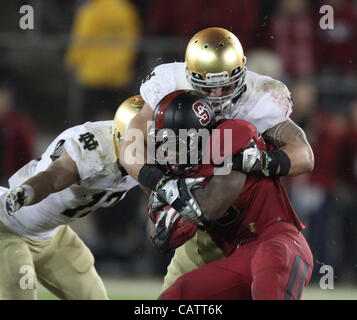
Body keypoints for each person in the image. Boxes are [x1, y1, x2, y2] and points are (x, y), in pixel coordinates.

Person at [119, 27, 314, 291]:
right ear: (190, 79)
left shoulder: (260, 98)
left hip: (243, 220)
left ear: (242, 74)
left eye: (227, 86)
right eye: (208, 89)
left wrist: (262, 161)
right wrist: (162, 186)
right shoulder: (169, 87)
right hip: (195, 216)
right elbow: (130, 147)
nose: (218, 96)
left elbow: (304, 154)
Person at [148, 90, 313, 300]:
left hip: (279, 242)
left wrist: (176, 200)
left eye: (174, 141)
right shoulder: (173, 170)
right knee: (175, 297)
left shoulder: (231, 135)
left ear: (198, 137)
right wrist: (167, 218)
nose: (167, 151)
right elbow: (156, 236)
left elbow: (210, 207)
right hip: (240, 255)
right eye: (163, 141)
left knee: (269, 282)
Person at [0, 95, 143, 300]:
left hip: (53, 236)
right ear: (126, 136)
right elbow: (54, 176)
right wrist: (26, 192)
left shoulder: (149, 153)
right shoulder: (96, 149)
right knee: (19, 292)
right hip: (9, 228)